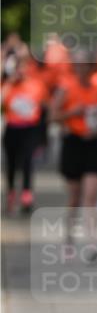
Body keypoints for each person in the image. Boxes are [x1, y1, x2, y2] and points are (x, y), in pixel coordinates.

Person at [50, 54, 97, 236]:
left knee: (91, 195)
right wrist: (72, 113)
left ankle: (92, 239)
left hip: (94, 143)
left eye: (87, 66)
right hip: (74, 143)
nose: (83, 70)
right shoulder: (66, 88)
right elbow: (53, 116)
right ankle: (69, 236)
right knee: (74, 197)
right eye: (79, 66)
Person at [2, 52, 49, 213]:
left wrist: (43, 136)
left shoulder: (37, 85)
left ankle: (26, 195)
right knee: (12, 163)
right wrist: (9, 83)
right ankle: (10, 192)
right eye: (18, 68)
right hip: (12, 128)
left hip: (30, 129)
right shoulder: (8, 85)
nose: (21, 71)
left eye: (23, 67)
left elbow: (44, 109)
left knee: (28, 161)